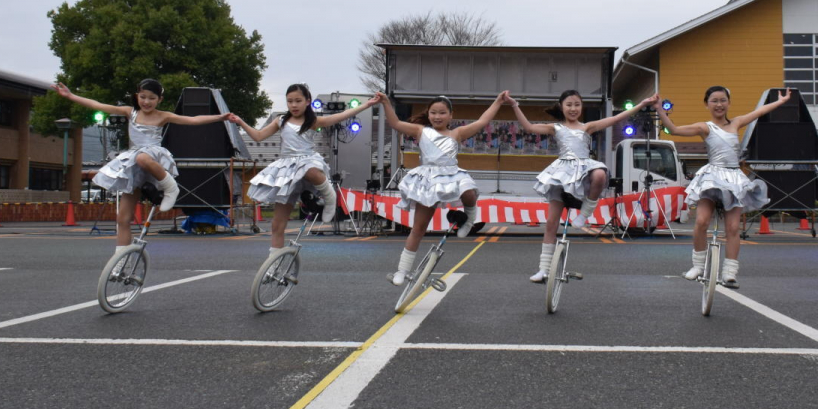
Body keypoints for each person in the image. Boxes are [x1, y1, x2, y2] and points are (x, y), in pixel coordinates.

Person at [50, 79, 230, 250]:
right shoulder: (131, 112)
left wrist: (220, 117)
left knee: (142, 158)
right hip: (134, 164)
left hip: (153, 156)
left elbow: (193, 120)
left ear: (160, 99)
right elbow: (99, 105)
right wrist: (71, 96)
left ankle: (171, 187)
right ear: (136, 96)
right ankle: (120, 260)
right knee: (122, 219)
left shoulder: (163, 116)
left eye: (152, 98)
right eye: (143, 97)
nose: (146, 102)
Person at [505, 89, 659, 282]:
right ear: (561, 106)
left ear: (582, 107)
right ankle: (543, 269)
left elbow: (618, 117)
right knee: (551, 223)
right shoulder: (556, 127)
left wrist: (642, 104)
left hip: (584, 170)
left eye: (577, 104)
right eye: (569, 104)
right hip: (561, 173)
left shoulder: (588, 127)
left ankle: (586, 211)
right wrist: (514, 105)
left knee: (601, 174)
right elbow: (528, 127)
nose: (573, 108)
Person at [655, 86, 792, 289]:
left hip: (734, 178)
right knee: (701, 221)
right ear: (707, 104)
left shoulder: (736, 122)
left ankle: (730, 273)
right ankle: (698, 266)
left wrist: (780, 102)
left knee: (733, 227)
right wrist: (660, 110)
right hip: (712, 177)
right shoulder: (705, 127)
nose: (719, 104)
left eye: (722, 100)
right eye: (714, 101)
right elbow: (675, 130)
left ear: (728, 102)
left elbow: (759, 112)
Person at [229, 86, 382, 261]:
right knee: (277, 224)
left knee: (309, 171)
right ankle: (274, 261)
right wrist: (241, 122)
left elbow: (340, 116)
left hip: (307, 160)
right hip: (286, 167)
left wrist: (367, 105)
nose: (293, 105)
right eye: (290, 101)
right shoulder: (281, 121)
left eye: (298, 101)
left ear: (308, 101)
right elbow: (258, 136)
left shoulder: (312, 121)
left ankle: (330, 196)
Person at [379, 91, 506, 285]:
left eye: (442, 113)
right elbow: (396, 123)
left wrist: (497, 102)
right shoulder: (421, 131)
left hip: (451, 174)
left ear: (450, 115)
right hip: (428, 180)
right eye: (433, 112)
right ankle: (402, 270)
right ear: (428, 114)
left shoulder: (457, 133)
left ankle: (470, 218)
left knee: (468, 189)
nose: (437, 116)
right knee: (418, 228)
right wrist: (386, 102)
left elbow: (482, 122)